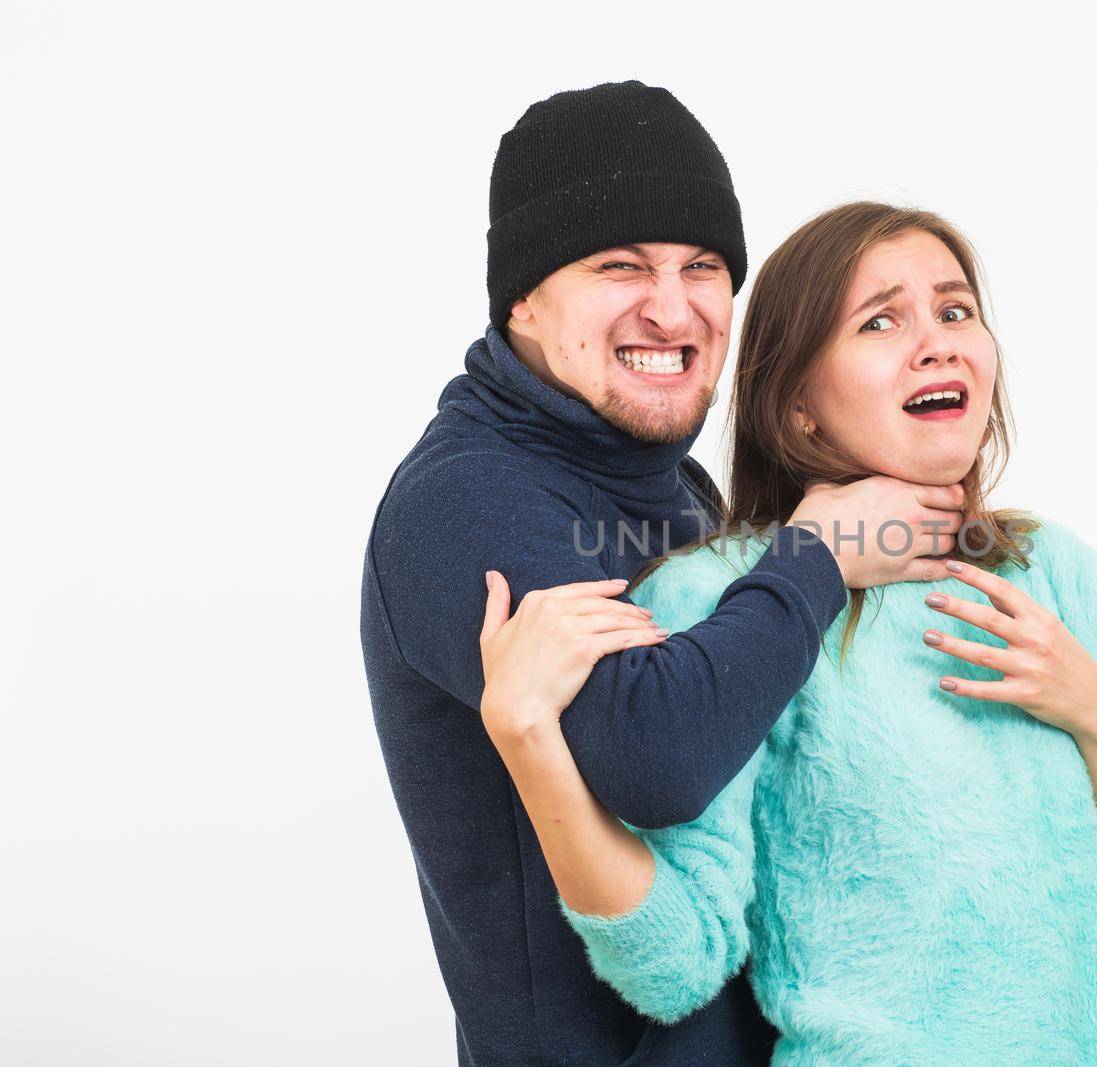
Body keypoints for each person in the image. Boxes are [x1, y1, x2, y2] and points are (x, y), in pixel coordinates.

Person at [478, 202, 1097, 1065]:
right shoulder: (715, 597)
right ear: (798, 409)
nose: (935, 341)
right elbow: (674, 965)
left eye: (954, 309)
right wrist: (528, 741)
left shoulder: (1055, 571)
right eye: (880, 320)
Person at [359, 85, 965, 1067]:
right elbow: (657, 756)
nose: (673, 307)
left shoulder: (670, 479)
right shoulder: (467, 500)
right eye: (619, 267)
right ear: (521, 294)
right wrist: (811, 559)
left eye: (704, 266)